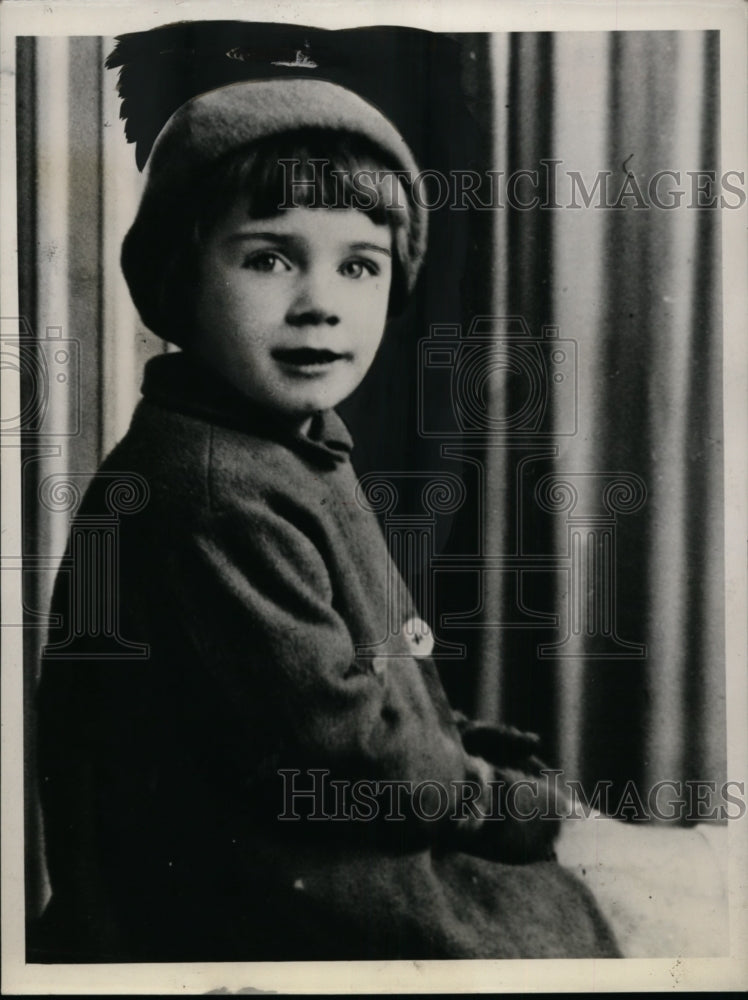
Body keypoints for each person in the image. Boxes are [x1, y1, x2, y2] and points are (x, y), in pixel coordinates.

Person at [34, 72, 620, 962]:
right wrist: (515, 806)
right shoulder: (208, 489)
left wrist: (480, 761)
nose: (320, 300)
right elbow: (349, 758)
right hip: (243, 912)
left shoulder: (287, 447)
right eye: (269, 256)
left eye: (358, 264)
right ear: (179, 277)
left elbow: (378, 698)